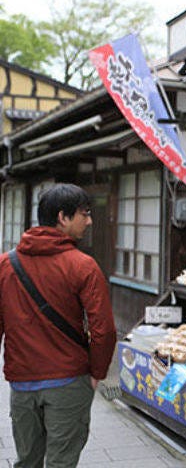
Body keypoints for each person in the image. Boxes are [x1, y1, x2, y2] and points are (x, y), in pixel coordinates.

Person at [0, 183, 117, 468]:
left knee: (27, 461)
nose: (89, 221)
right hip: (68, 380)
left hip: (22, 381)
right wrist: (97, 373)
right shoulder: (83, 265)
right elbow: (104, 330)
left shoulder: (5, 265)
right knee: (61, 463)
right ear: (63, 218)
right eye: (84, 214)